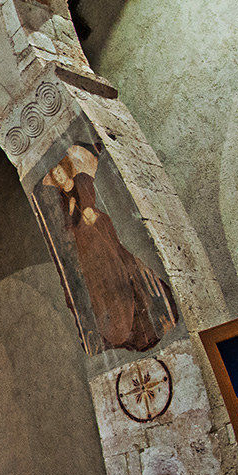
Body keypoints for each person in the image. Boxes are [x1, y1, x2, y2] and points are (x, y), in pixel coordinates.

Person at [39, 144, 177, 353]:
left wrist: (86, 209)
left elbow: (90, 203)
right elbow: (68, 226)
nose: (58, 176)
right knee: (98, 285)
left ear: (65, 169)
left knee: (123, 268)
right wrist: (69, 209)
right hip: (86, 247)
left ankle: (151, 318)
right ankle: (117, 333)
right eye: (55, 175)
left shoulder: (82, 180)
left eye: (59, 171)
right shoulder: (62, 198)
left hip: (98, 232)